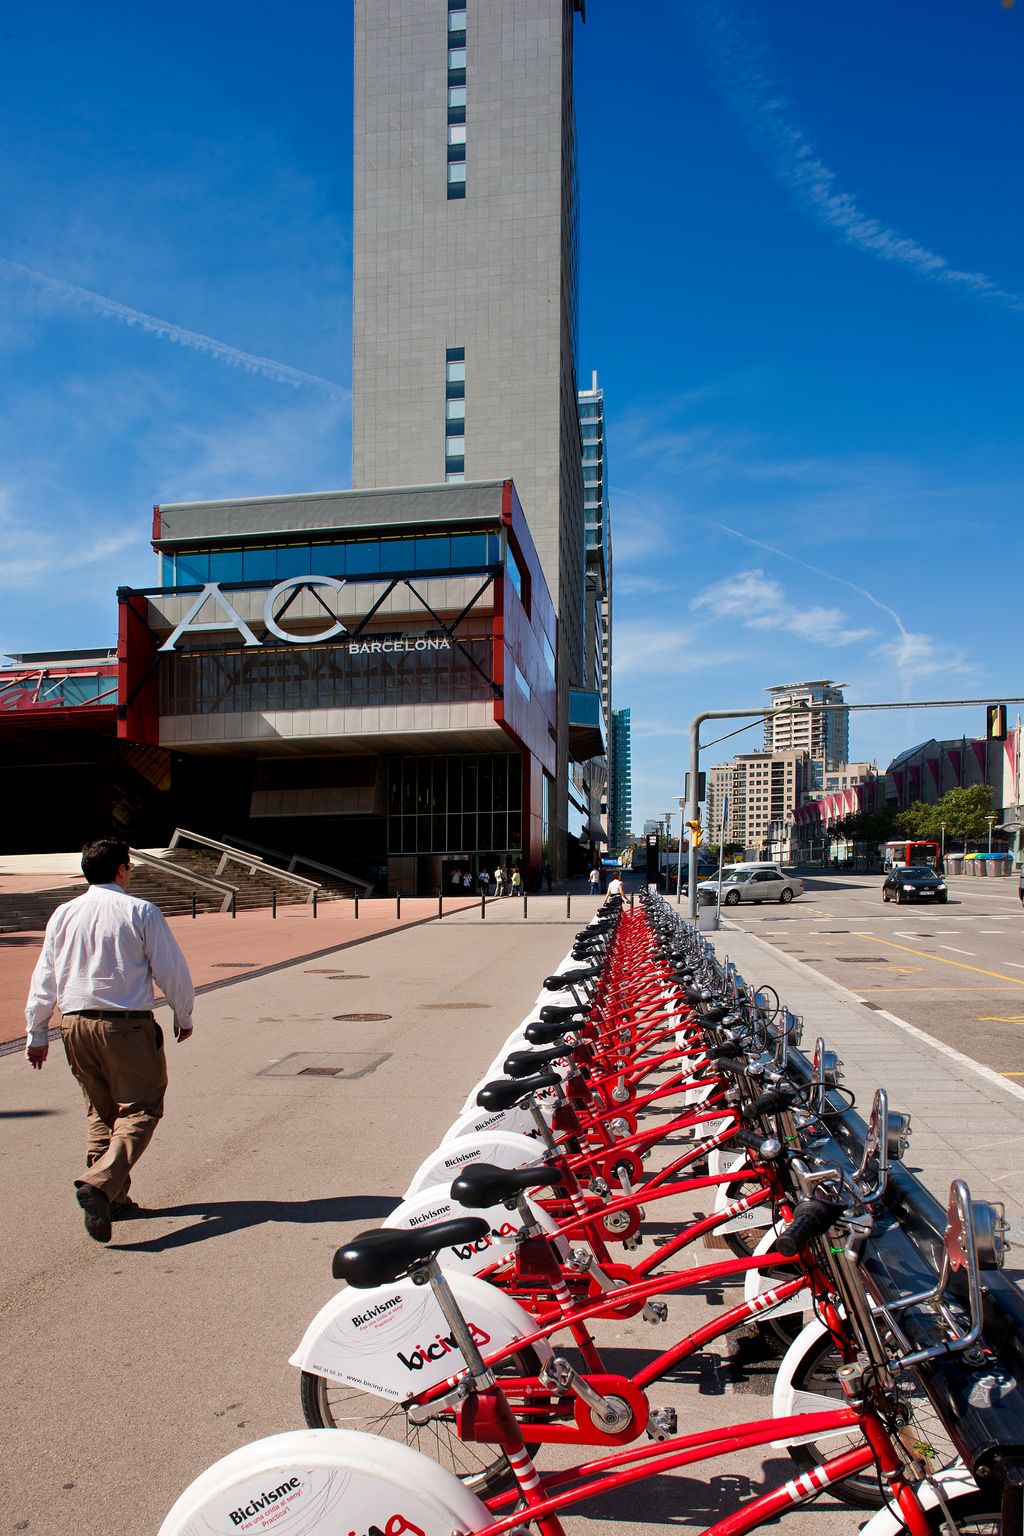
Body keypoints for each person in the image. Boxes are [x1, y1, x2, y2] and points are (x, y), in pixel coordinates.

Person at [24, 836, 195, 1245]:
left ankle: (113, 1199)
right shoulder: (139, 911)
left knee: (102, 1112)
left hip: (75, 1025)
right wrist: (183, 1013)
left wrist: (37, 1030)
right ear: (121, 870)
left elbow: (44, 976)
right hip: (126, 1025)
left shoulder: (63, 914)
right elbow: (170, 969)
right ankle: (100, 1184)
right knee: (141, 1109)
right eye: (130, 868)